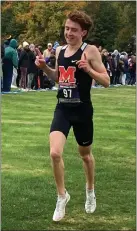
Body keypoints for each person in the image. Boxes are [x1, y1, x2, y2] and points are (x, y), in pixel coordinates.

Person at [35, 10, 110, 222]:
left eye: (73, 30)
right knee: (55, 153)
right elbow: (58, 79)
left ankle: (90, 191)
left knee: (85, 155)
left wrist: (89, 71)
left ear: (83, 32)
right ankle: (62, 196)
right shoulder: (59, 50)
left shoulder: (91, 51)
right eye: (67, 28)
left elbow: (106, 81)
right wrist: (44, 68)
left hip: (82, 110)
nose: (68, 33)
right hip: (63, 109)